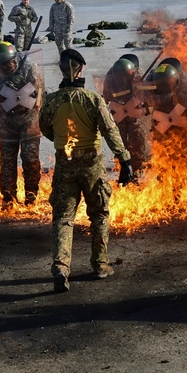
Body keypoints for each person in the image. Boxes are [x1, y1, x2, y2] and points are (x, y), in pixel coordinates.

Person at [40, 49, 133, 292]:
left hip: (65, 162)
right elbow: (110, 130)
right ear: (81, 69)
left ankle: (61, 267)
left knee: (63, 217)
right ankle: (100, 265)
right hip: (92, 164)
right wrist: (125, 160)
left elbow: (45, 128)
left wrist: (62, 140)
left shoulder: (51, 100)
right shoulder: (92, 99)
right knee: (99, 214)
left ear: (61, 69)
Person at [0, 42, 44, 207]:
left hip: (28, 117)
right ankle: (8, 197)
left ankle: (31, 195)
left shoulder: (29, 67)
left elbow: (38, 93)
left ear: (13, 60)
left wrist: (21, 85)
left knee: (30, 158)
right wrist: (4, 89)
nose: (3, 68)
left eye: (6, 65)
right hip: (6, 119)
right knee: (7, 160)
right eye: (0, 66)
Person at [102, 57, 151, 176]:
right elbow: (106, 97)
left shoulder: (138, 76)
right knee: (120, 142)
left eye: (124, 77)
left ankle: (138, 169)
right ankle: (123, 168)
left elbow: (148, 95)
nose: (121, 79)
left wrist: (137, 89)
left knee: (137, 139)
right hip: (118, 110)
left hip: (135, 108)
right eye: (119, 78)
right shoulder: (109, 79)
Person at [144, 58, 187, 158]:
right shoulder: (153, 76)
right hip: (161, 117)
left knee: (181, 149)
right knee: (161, 148)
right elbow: (145, 95)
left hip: (180, 115)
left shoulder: (185, 83)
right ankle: (162, 168)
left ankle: (182, 166)